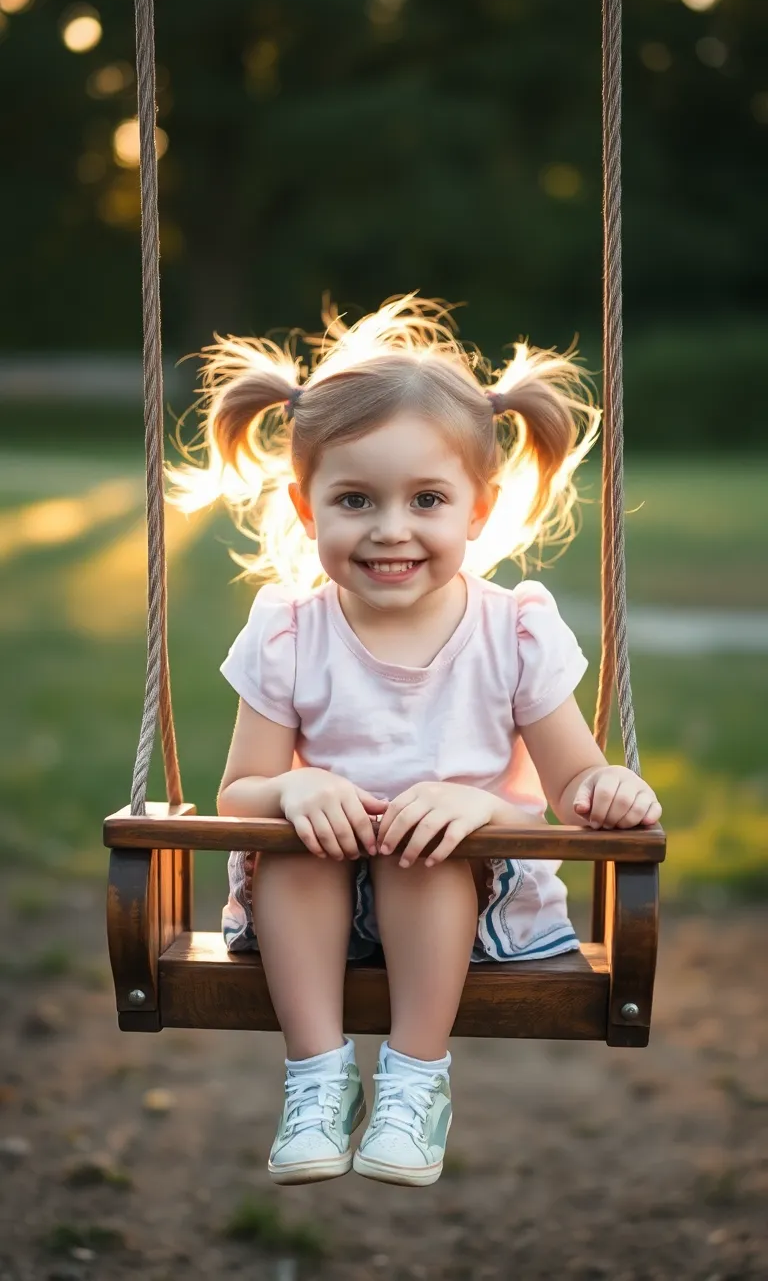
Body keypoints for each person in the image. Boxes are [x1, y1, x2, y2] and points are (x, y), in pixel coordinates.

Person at [168, 294, 662, 1189]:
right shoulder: (288, 628)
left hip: (469, 905)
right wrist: (292, 789)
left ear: (479, 507)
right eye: (354, 499)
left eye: (426, 499)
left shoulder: (513, 630)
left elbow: (576, 780)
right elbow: (238, 792)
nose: (390, 528)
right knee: (297, 841)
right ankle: (317, 1080)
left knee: (421, 846)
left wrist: (579, 794)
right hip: (313, 915)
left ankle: (414, 1080)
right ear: (304, 505)